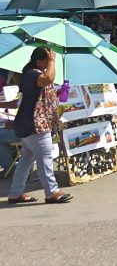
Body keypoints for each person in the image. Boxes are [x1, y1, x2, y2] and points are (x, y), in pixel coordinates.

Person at [7, 47, 72, 205]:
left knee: (26, 160)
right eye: (46, 59)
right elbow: (49, 78)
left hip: (33, 124)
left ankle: (16, 193)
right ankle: (52, 192)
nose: (49, 61)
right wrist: (52, 61)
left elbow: (40, 93)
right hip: (36, 124)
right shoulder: (32, 74)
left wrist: (57, 94)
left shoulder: (33, 75)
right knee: (45, 157)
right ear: (38, 61)